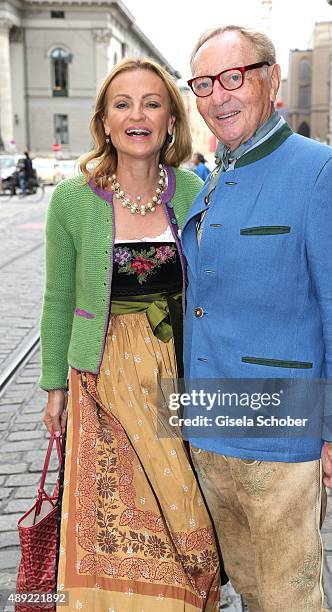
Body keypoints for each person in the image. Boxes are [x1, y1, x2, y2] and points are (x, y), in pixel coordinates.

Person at [181, 26, 332, 611]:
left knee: (289, 599)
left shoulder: (323, 172)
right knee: (242, 587)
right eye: (203, 83)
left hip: (282, 435)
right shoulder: (205, 181)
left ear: (270, 79)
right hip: (205, 423)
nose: (219, 96)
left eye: (234, 76)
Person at [40, 57, 219, 611]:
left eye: (151, 103)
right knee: (111, 525)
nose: (136, 115)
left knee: (185, 518)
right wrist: (55, 387)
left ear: (170, 120)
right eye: (122, 104)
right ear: (106, 121)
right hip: (104, 379)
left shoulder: (193, 190)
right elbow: (58, 297)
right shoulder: (73, 199)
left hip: (178, 373)